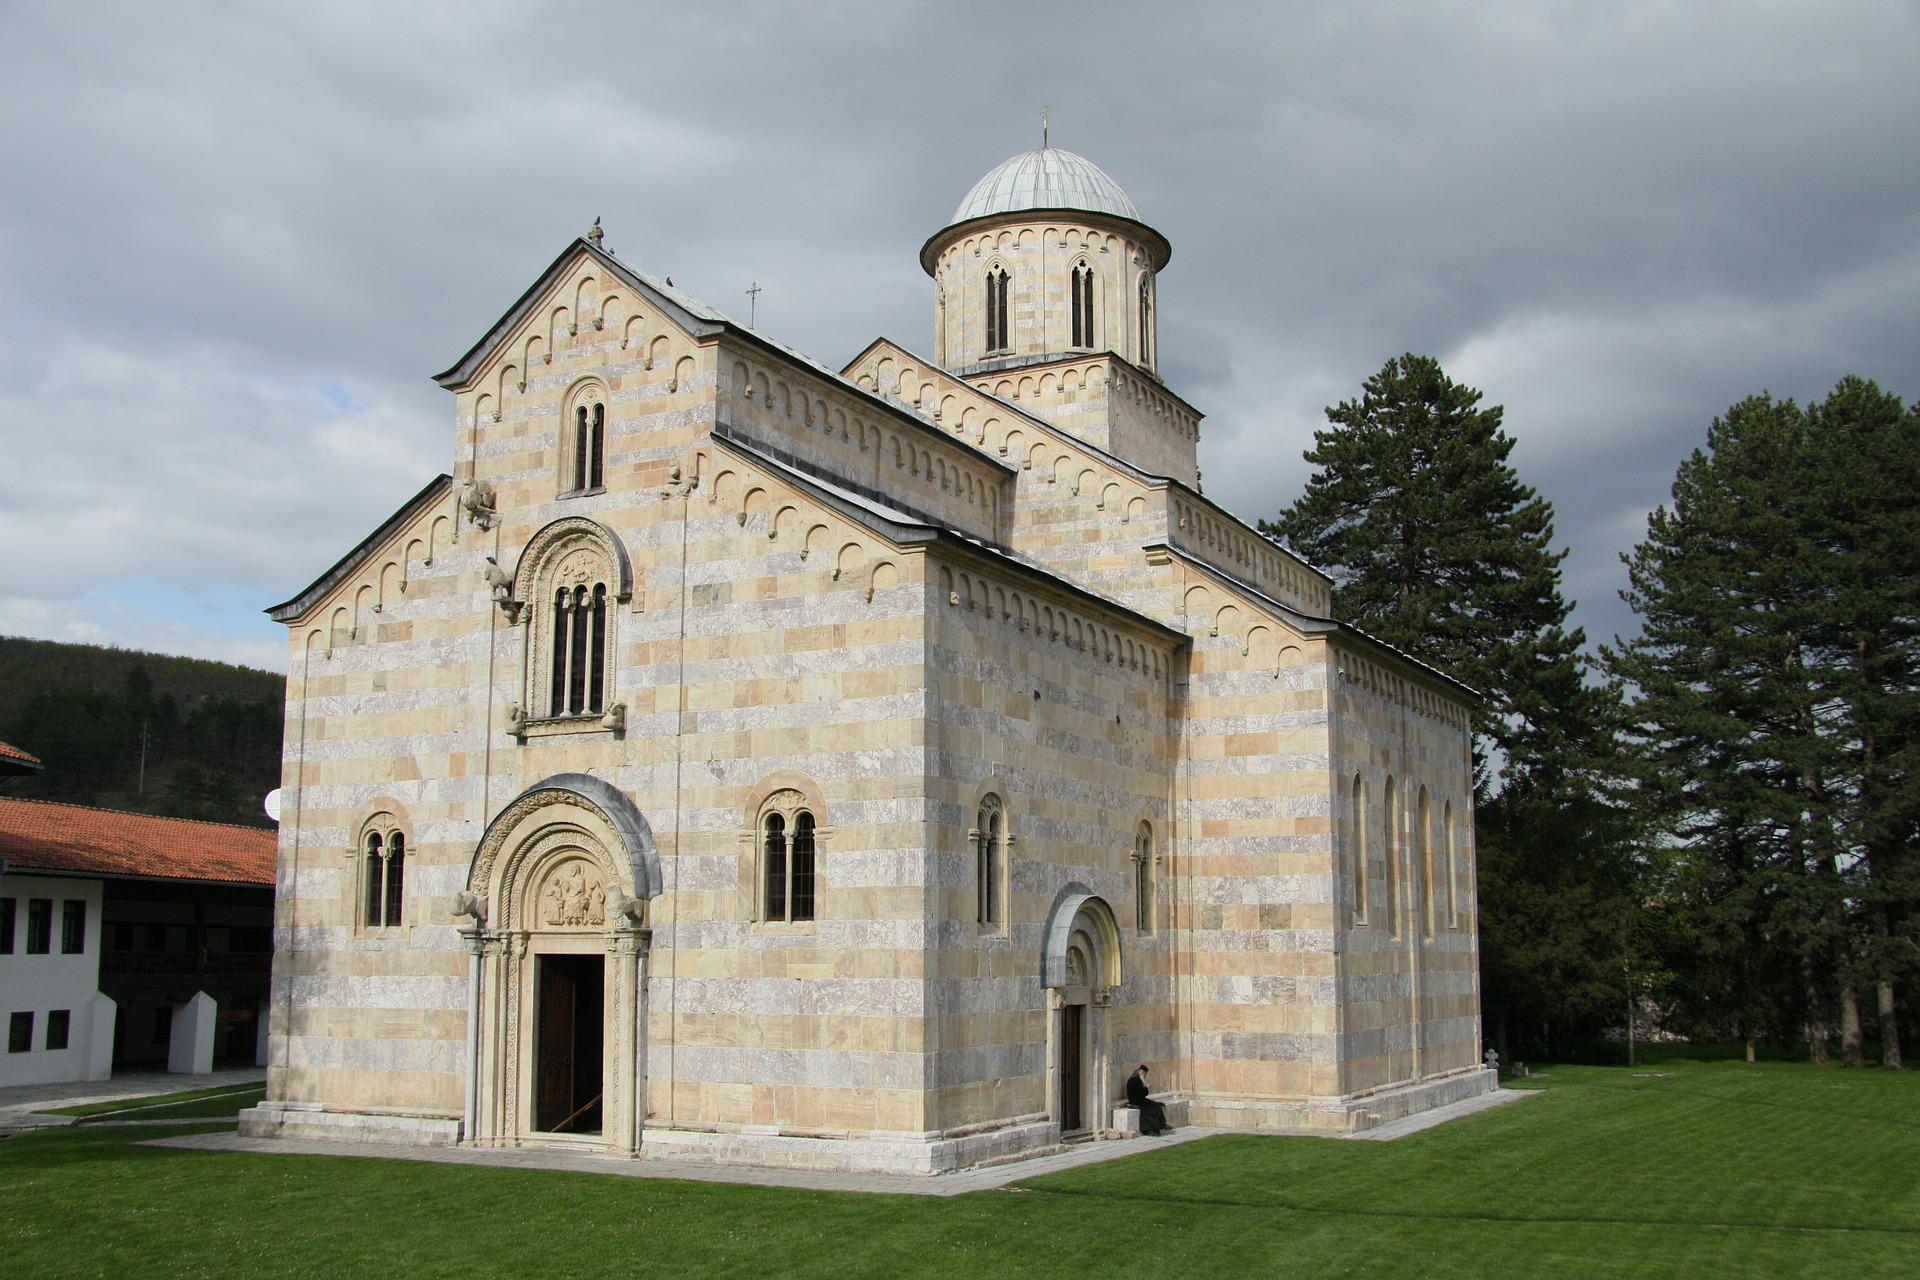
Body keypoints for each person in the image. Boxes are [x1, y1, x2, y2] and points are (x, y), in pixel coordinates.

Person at [1125, 1064, 1170, 1135]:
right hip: (1138, 1101)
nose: (1145, 1076)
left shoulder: (1132, 1080)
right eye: (1145, 1074)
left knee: (1157, 1105)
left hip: (1138, 1100)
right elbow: (1142, 1093)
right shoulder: (1137, 1080)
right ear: (1142, 1073)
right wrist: (1146, 1087)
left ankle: (1160, 1126)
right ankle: (1155, 1128)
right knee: (1155, 1107)